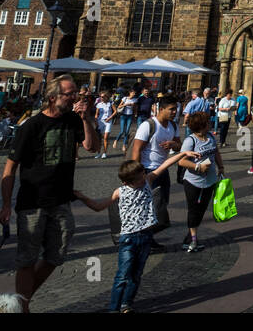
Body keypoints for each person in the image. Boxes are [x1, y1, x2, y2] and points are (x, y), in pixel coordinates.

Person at [0, 74, 101, 309]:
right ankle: (22, 307)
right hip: (33, 202)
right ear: (53, 98)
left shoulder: (73, 120)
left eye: (77, 92)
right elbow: (10, 167)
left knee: (57, 254)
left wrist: (86, 120)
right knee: (27, 258)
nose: (76, 97)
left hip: (61, 200)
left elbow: (92, 147)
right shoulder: (32, 126)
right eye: (70, 93)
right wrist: (5, 204)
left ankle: (18, 302)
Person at [76, 147, 197, 312]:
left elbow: (165, 164)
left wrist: (183, 154)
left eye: (142, 175)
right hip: (128, 239)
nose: (143, 179)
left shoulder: (147, 181)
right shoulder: (119, 192)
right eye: (139, 178)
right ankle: (114, 309)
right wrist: (82, 197)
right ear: (126, 182)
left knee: (136, 275)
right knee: (122, 276)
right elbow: (99, 207)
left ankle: (126, 304)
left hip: (146, 236)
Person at [130, 95, 181, 250]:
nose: (174, 112)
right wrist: (136, 174)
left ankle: (148, 237)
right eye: (171, 109)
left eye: (176, 109)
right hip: (147, 170)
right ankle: (141, 240)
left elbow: (179, 146)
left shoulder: (173, 125)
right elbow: (137, 149)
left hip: (163, 170)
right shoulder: (149, 125)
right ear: (161, 109)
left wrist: (173, 144)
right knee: (148, 206)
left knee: (161, 205)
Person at [179, 111, 223, 252]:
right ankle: (193, 240)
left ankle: (190, 236)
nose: (210, 123)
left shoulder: (210, 137)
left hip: (209, 181)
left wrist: (220, 166)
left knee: (202, 209)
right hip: (193, 181)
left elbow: (216, 152)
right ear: (201, 125)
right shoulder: (190, 141)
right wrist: (198, 166)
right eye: (207, 122)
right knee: (193, 210)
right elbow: (181, 161)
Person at [95, 91, 115, 158]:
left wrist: (110, 118)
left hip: (108, 122)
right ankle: (98, 153)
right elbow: (96, 114)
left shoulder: (110, 103)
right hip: (100, 121)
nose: (101, 98)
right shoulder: (99, 104)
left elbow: (115, 111)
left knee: (105, 138)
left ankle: (104, 153)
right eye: (100, 96)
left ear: (106, 97)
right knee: (99, 139)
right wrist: (96, 121)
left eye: (103, 97)